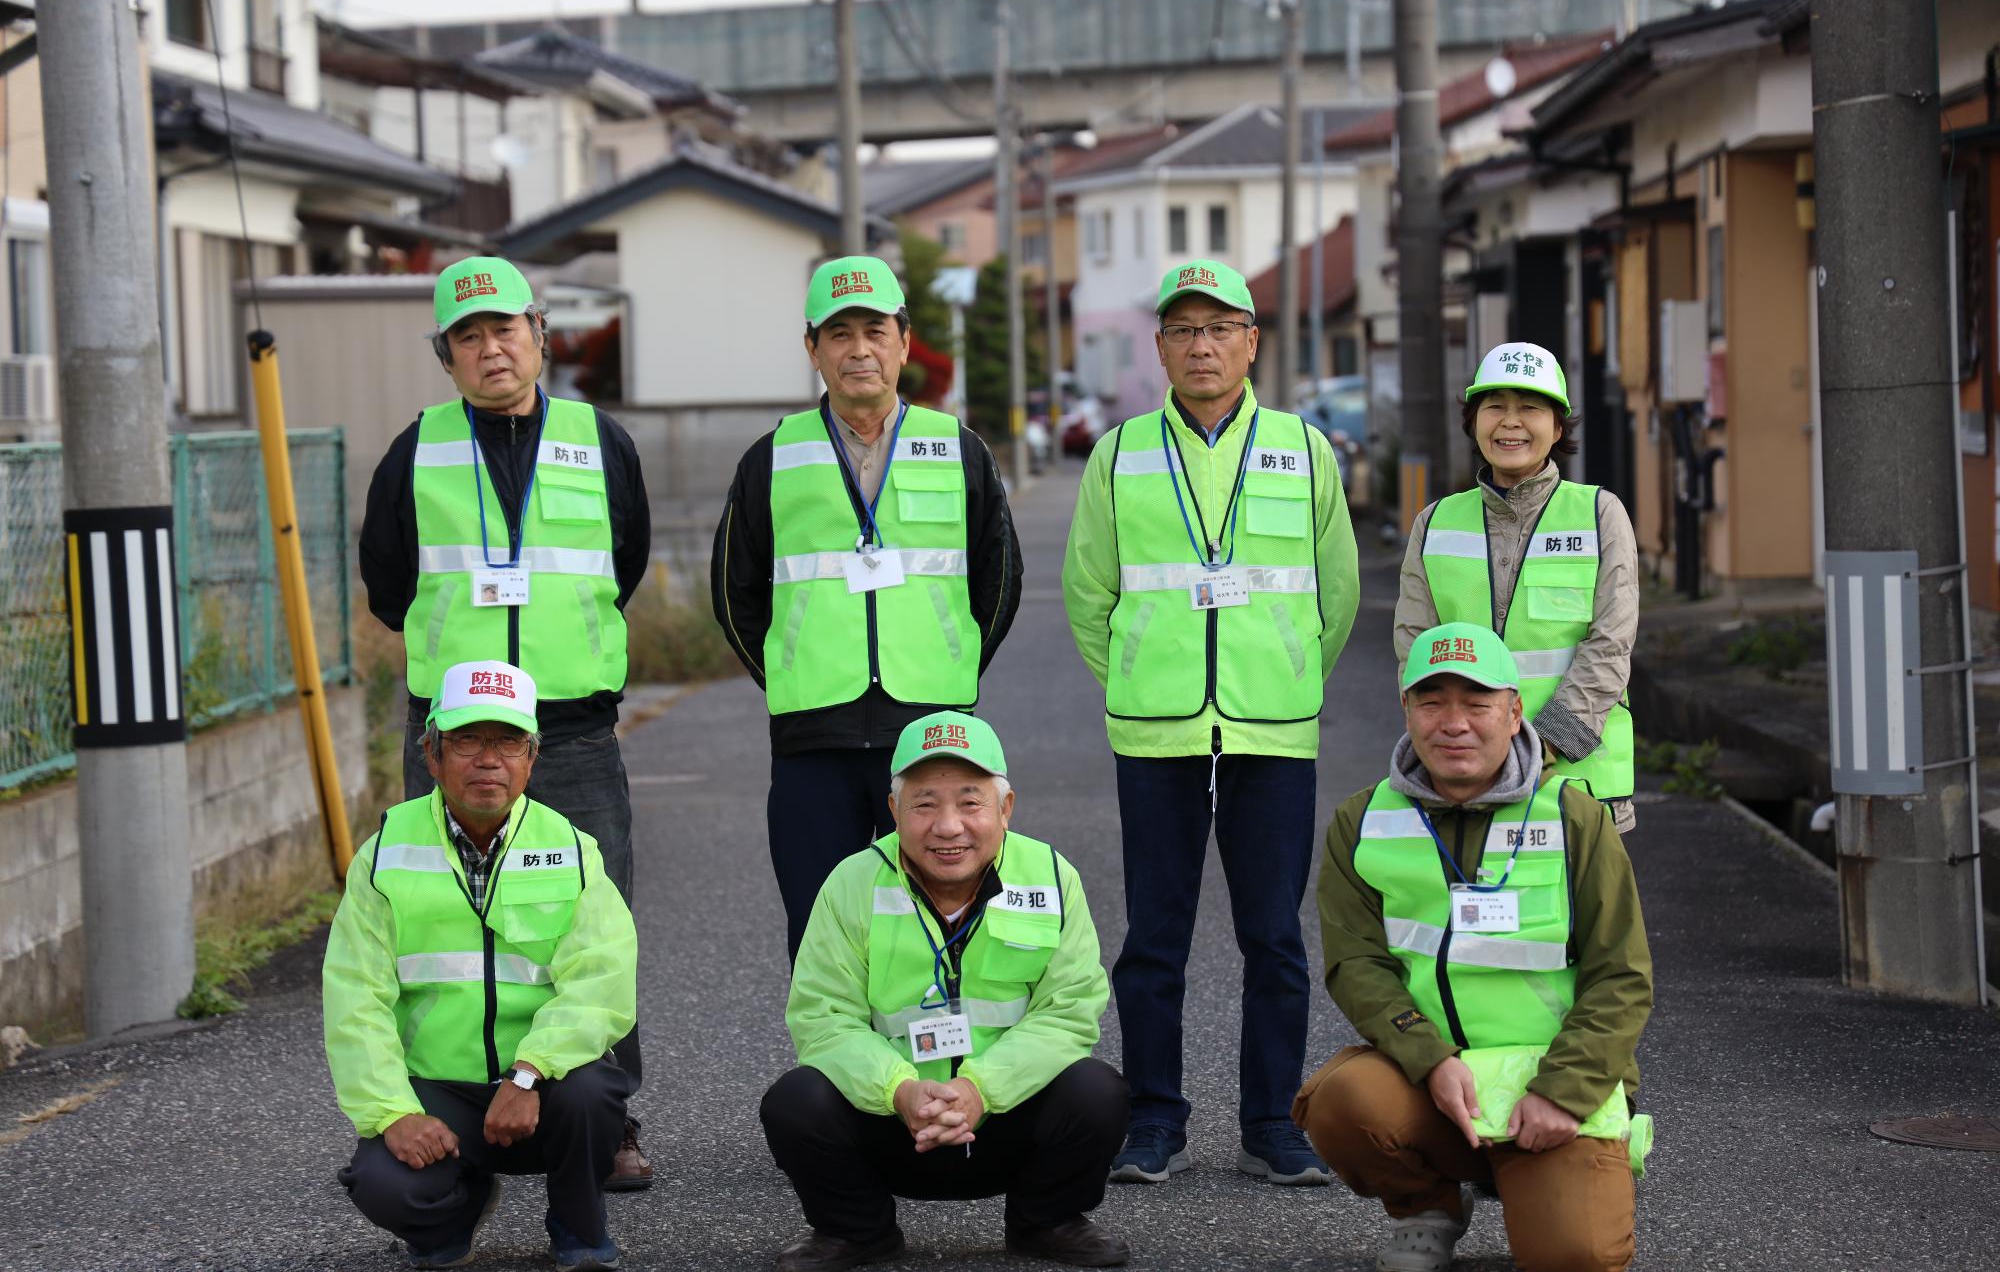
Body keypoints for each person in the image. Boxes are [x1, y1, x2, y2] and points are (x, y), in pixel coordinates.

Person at [1061, 258, 1360, 1187]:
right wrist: (1142, 673)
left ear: (1251, 342)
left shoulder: (1306, 451)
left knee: (1273, 933)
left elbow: (1336, 590)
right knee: (1155, 933)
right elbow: (1089, 589)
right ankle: (1154, 1119)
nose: (1202, 344)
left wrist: (1289, 669)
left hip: (1273, 726)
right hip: (1157, 729)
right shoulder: (1119, 454)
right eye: (1184, 329)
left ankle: (1273, 1120)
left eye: (1220, 327)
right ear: (1159, 347)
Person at [359, 256, 655, 1187]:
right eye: (468, 336)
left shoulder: (600, 440)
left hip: (568, 726)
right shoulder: (416, 451)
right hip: (455, 737)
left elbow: (626, 559)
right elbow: (388, 584)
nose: (491, 348)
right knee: (436, 924)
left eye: (506, 328)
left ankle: (604, 1122)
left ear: (540, 332)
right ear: (444, 355)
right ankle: (440, 1119)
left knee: (592, 922)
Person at [1295, 623, 1652, 1272]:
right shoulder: (1363, 820)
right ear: (1406, 709)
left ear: (1514, 712)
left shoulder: (1574, 816)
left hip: (1552, 1088)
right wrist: (1429, 1058)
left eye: (1477, 702)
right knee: (1341, 1103)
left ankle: (1541, 1172)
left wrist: (1564, 1090)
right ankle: (1427, 1206)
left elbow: (1621, 977)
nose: (1453, 722)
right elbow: (1357, 965)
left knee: (1576, 1255)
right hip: (1440, 1083)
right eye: (1432, 701)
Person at [712, 255, 1023, 961]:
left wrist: (952, 662)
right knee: (824, 932)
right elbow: (735, 592)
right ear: (812, 348)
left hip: (931, 738)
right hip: (810, 741)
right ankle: (834, 1073)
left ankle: (933, 1073)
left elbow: (999, 581)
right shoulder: (771, 458)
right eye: (839, 332)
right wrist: (794, 669)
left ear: (904, 342)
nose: (859, 349)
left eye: (875, 330)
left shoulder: (959, 450)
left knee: (935, 928)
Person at [761, 713, 1130, 1271]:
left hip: (1005, 1119)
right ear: (894, 811)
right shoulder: (852, 883)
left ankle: (1046, 1221)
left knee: (1098, 1091)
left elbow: (1069, 1013)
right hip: (893, 1122)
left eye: (970, 802)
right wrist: (900, 1091)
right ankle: (858, 1231)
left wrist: (981, 1089)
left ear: (1005, 808)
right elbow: (823, 1018)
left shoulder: (1052, 877)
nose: (949, 826)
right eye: (926, 803)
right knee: (796, 1101)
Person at [325, 660, 637, 1271]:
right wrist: (395, 1112)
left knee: (596, 1092)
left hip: (543, 1089)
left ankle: (578, 1228)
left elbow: (602, 984)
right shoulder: (384, 854)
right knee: (383, 1183)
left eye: (508, 741)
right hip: (439, 1090)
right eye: (467, 740)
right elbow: (354, 997)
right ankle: (454, 1211)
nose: (488, 760)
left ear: (533, 756)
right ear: (432, 753)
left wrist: (527, 1075)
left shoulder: (573, 850)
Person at [1395, 341, 1639, 833]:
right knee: (1469, 910)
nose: (1510, 422)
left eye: (1529, 407)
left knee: (1580, 911)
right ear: (1474, 421)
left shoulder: (1600, 514)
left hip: (1578, 780)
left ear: (1556, 425)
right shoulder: (1435, 522)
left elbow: (1610, 646)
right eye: (1494, 407)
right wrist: (1468, 756)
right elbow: (1415, 651)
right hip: (1465, 775)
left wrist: (1541, 749)